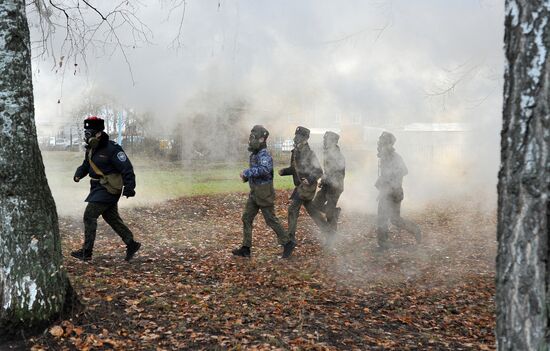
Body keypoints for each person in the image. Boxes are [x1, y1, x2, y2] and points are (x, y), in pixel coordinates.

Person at [71, 116, 141, 261]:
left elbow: (126, 168)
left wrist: (129, 187)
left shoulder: (113, 149)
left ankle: (86, 252)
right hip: (97, 187)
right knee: (111, 217)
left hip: (109, 188)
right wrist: (79, 174)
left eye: (89, 133)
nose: (86, 136)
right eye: (86, 133)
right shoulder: (91, 149)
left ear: (98, 134)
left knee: (89, 215)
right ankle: (131, 243)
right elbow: (86, 164)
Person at [232, 125, 296, 258]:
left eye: (253, 138)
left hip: (264, 193)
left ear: (262, 139)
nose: (250, 140)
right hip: (255, 192)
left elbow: (265, 169)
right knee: (246, 218)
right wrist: (247, 177)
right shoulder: (255, 154)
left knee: (271, 220)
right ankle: (246, 248)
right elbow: (259, 172)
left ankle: (287, 243)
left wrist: (248, 172)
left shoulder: (264, 154)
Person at [279, 126, 328, 243]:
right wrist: (284, 171)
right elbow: (295, 169)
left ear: (306, 139)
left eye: (299, 137)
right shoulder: (296, 151)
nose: (296, 139)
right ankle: (328, 231)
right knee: (312, 210)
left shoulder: (310, 154)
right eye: (296, 136)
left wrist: (310, 179)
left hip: (307, 187)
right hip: (301, 186)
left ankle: (290, 240)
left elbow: (319, 171)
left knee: (292, 209)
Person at [375, 131, 421, 250]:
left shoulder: (395, 157)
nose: (379, 145)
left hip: (394, 193)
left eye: (382, 142)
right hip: (387, 192)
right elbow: (386, 175)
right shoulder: (385, 157)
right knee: (383, 217)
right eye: (380, 142)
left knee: (394, 219)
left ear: (389, 144)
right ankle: (383, 242)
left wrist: (390, 179)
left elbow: (404, 171)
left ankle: (415, 229)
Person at [313, 131, 345, 236]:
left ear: (332, 142)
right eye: (324, 139)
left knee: (330, 213)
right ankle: (334, 212)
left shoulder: (337, 156)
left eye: (326, 140)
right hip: (328, 185)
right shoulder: (328, 153)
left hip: (335, 187)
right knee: (315, 204)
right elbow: (328, 172)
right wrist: (323, 180)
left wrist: (326, 179)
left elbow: (337, 174)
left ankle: (332, 236)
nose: (324, 142)